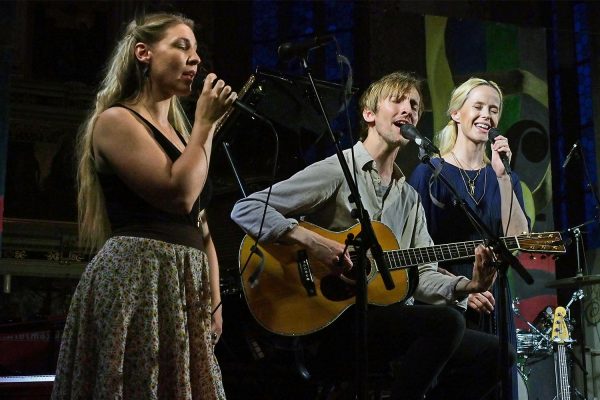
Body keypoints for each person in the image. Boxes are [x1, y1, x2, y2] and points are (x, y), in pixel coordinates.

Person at [231, 71, 513, 400]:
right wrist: (314, 243)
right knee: (446, 323)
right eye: (398, 101)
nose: (409, 110)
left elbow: (420, 277)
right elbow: (247, 208)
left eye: (415, 106)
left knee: (498, 354)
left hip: (386, 320)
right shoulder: (338, 169)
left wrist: (470, 285)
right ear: (369, 114)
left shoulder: (408, 198)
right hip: (335, 319)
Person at [52, 12, 236, 399]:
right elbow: (178, 193)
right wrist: (206, 126)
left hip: (183, 286)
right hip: (139, 280)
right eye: (181, 45)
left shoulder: (185, 135)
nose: (195, 59)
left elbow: (200, 224)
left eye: (197, 50)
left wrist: (214, 299)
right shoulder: (116, 121)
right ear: (144, 53)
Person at [408, 77, 529, 333]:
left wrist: (503, 176)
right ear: (456, 113)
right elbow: (412, 248)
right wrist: (464, 288)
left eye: (493, 110)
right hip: (444, 297)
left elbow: (517, 241)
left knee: (496, 367)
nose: (486, 115)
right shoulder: (428, 174)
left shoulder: (504, 177)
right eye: (478, 106)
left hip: (493, 296)